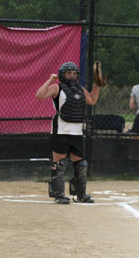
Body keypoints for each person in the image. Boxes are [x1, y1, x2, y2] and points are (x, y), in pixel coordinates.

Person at [35, 62, 101, 204]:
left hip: (76, 131)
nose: (72, 75)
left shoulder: (80, 89)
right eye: (68, 73)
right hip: (61, 130)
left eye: (74, 73)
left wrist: (97, 85)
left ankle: (80, 195)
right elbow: (39, 95)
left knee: (81, 164)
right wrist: (50, 80)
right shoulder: (57, 88)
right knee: (60, 164)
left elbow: (92, 100)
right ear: (62, 75)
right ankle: (59, 194)